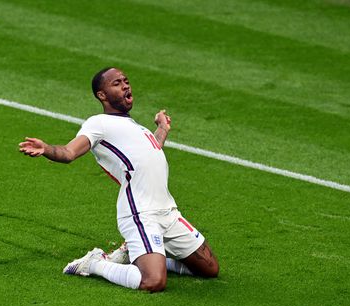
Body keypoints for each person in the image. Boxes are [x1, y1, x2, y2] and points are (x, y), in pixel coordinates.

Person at [19, 67, 219, 292]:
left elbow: (149, 152)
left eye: (126, 81)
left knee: (210, 269)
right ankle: (96, 263)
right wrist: (46, 148)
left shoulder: (137, 127)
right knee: (153, 282)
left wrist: (162, 128)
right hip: (140, 212)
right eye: (116, 83)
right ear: (102, 95)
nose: (125, 85)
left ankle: (149, 255)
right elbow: (69, 153)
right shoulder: (98, 124)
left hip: (168, 211)